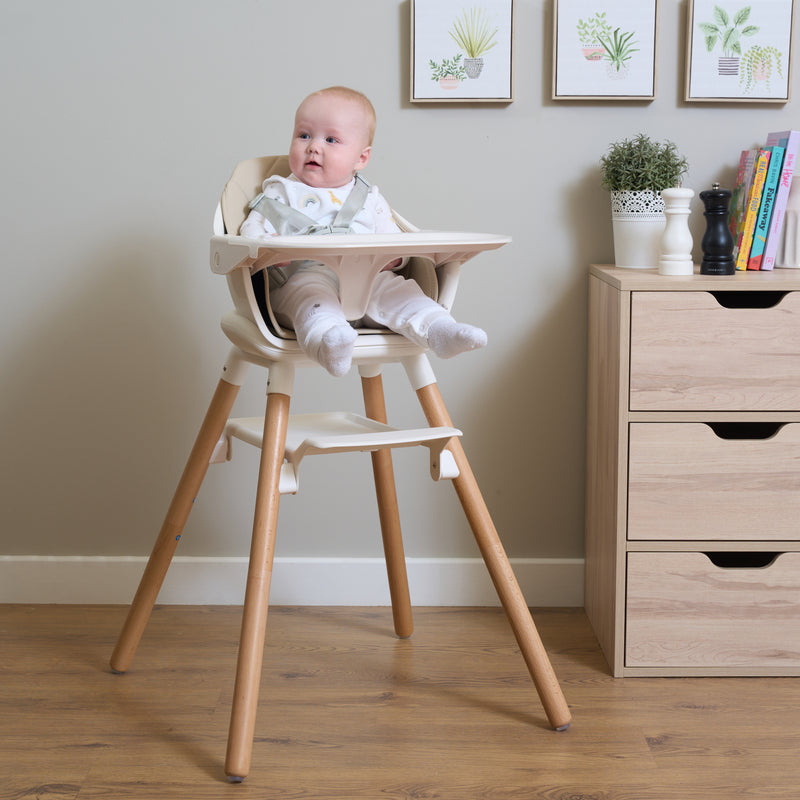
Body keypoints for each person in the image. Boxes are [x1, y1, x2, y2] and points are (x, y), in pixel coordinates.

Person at [240, 86, 486, 376]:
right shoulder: (281, 192)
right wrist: (267, 248)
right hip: (307, 276)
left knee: (401, 292)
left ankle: (440, 329)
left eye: (331, 139)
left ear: (361, 158)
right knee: (309, 299)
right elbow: (250, 231)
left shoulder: (369, 198)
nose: (313, 146)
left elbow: (394, 240)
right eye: (304, 135)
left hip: (369, 278)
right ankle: (330, 342)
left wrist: (394, 259)